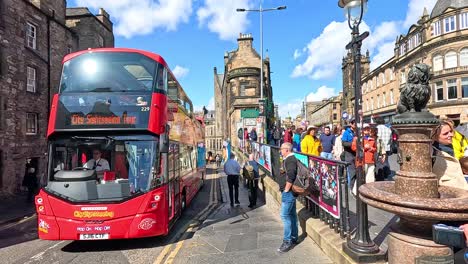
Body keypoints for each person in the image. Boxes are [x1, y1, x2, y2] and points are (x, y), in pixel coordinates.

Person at [431, 119, 468, 190]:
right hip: (448, 193)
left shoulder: (449, 147)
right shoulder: (434, 152)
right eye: (445, 133)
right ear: (435, 137)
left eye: (451, 131)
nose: (451, 135)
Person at [278, 142, 298, 253]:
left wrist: (285, 190)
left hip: (289, 193)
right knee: (292, 215)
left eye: (282, 149)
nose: (280, 151)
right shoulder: (288, 159)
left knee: (285, 215)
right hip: (289, 192)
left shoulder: (290, 160)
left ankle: (287, 241)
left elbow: (291, 176)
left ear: (287, 150)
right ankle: (294, 237)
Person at [351, 123, 376, 195]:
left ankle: (369, 192)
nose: (367, 130)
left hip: (371, 160)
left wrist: (371, 148)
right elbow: (354, 148)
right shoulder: (358, 139)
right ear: (362, 130)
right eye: (365, 129)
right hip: (362, 161)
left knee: (370, 178)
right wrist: (364, 147)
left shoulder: (372, 139)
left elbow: (375, 149)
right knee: (360, 177)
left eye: (368, 128)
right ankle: (355, 192)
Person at [342, 119, 357, 191]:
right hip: (349, 154)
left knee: (358, 171)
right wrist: (352, 144)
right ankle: (351, 188)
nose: (356, 125)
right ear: (351, 124)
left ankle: (356, 188)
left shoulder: (358, 132)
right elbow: (344, 143)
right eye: (354, 124)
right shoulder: (346, 132)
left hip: (357, 154)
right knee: (352, 172)